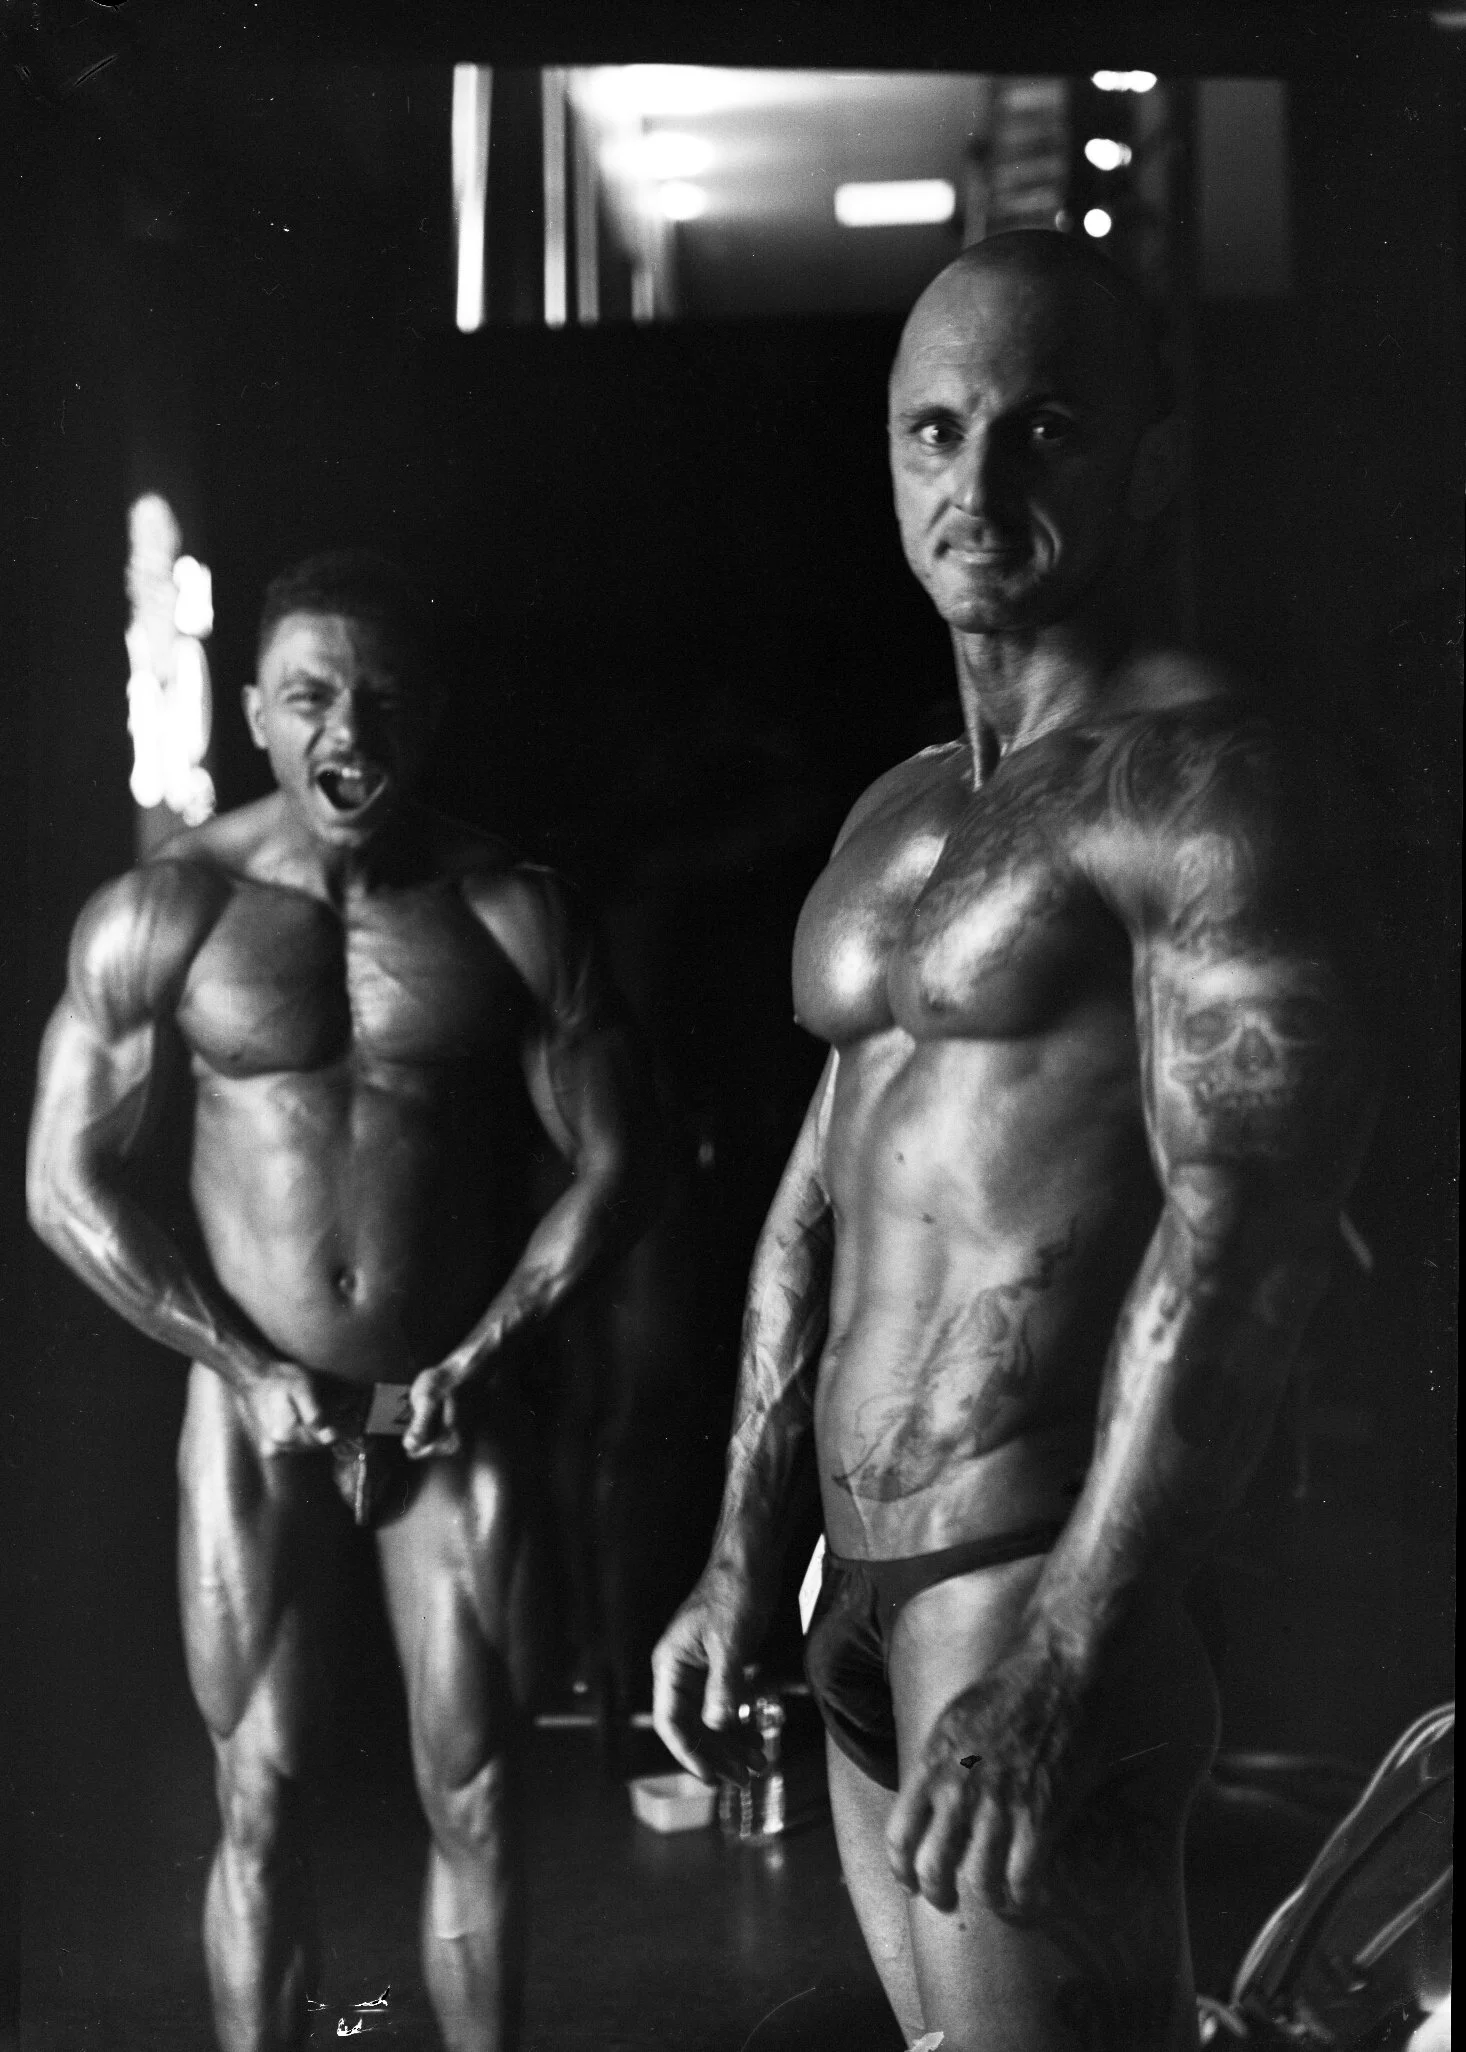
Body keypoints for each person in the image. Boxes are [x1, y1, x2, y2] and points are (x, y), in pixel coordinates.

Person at [652, 231, 1376, 2052]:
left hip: (1027, 1580)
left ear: (1149, 460)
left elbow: (1247, 1244)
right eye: (934, 429)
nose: (974, 484)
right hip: (849, 1581)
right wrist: (740, 1552)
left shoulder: (1208, 787)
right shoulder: (900, 812)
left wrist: (1063, 1650)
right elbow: (817, 1194)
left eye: (1040, 429)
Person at [27, 551, 662, 2052]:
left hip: (451, 1402)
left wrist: (490, 1346)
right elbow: (61, 1185)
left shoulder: (511, 911)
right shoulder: (167, 911)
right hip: (253, 1411)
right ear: (257, 711)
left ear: (427, 712)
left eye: (379, 697)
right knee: (258, 1790)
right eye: (311, 695)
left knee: (481, 1791)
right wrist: (239, 1364)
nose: (347, 729)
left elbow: (620, 1167)